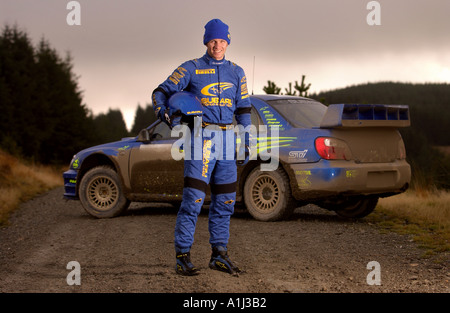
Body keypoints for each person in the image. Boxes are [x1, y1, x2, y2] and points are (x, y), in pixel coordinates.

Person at [152, 19, 251, 276]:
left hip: (228, 141)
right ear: (206, 41)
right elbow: (160, 92)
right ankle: (182, 256)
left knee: (225, 201)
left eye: (222, 41)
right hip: (201, 140)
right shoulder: (191, 68)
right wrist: (164, 113)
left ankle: (219, 255)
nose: (217, 45)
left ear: (228, 42)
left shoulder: (237, 72)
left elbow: (243, 111)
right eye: (213, 40)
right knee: (193, 200)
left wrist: (246, 140)